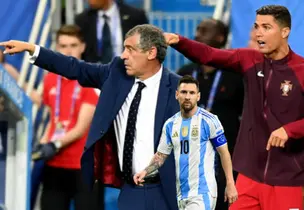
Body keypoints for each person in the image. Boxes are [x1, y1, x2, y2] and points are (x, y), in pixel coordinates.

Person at [164, 4, 304, 210]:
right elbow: (209, 55)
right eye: (257, 27)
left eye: (266, 27)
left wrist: (290, 130)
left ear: (285, 32)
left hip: (287, 179)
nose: (259, 33)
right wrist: (179, 41)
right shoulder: (248, 59)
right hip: (248, 177)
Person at [0, 24, 180, 210]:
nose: (124, 55)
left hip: (165, 188)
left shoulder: (178, 89)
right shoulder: (116, 74)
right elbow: (74, 67)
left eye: (130, 50)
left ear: (151, 53)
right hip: (130, 189)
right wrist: (32, 49)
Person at [133, 75, 238, 210]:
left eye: (192, 93)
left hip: (203, 192)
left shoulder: (209, 120)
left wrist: (230, 183)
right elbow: (161, 156)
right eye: (184, 92)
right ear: (177, 95)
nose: (187, 96)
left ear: (198, 96)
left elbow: (224, 153)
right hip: (181, 194)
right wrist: (145, 171)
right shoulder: (170, 125)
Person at [29, 24, 103, 210]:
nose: (68, 50)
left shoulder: (91, 79)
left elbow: (81, 128)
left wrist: (54, 144)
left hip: (84, 166)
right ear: (56, 48)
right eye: (63, 46)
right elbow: (53, 122)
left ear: (83, 47)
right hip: (55, 165)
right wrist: (44, 142)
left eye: (73, 45)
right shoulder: (50, 79)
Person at [177, 18, 244, 210]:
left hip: (224, 160)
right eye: (198, 29)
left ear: (220, 38)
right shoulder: (185, 74)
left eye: (205, 30)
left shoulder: (234, 76)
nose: (198, 34)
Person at [75, 0, 148, 63]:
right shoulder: (82, 19)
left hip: (128, 71)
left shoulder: (136, 16)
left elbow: (146, 44)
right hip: (96, 74)